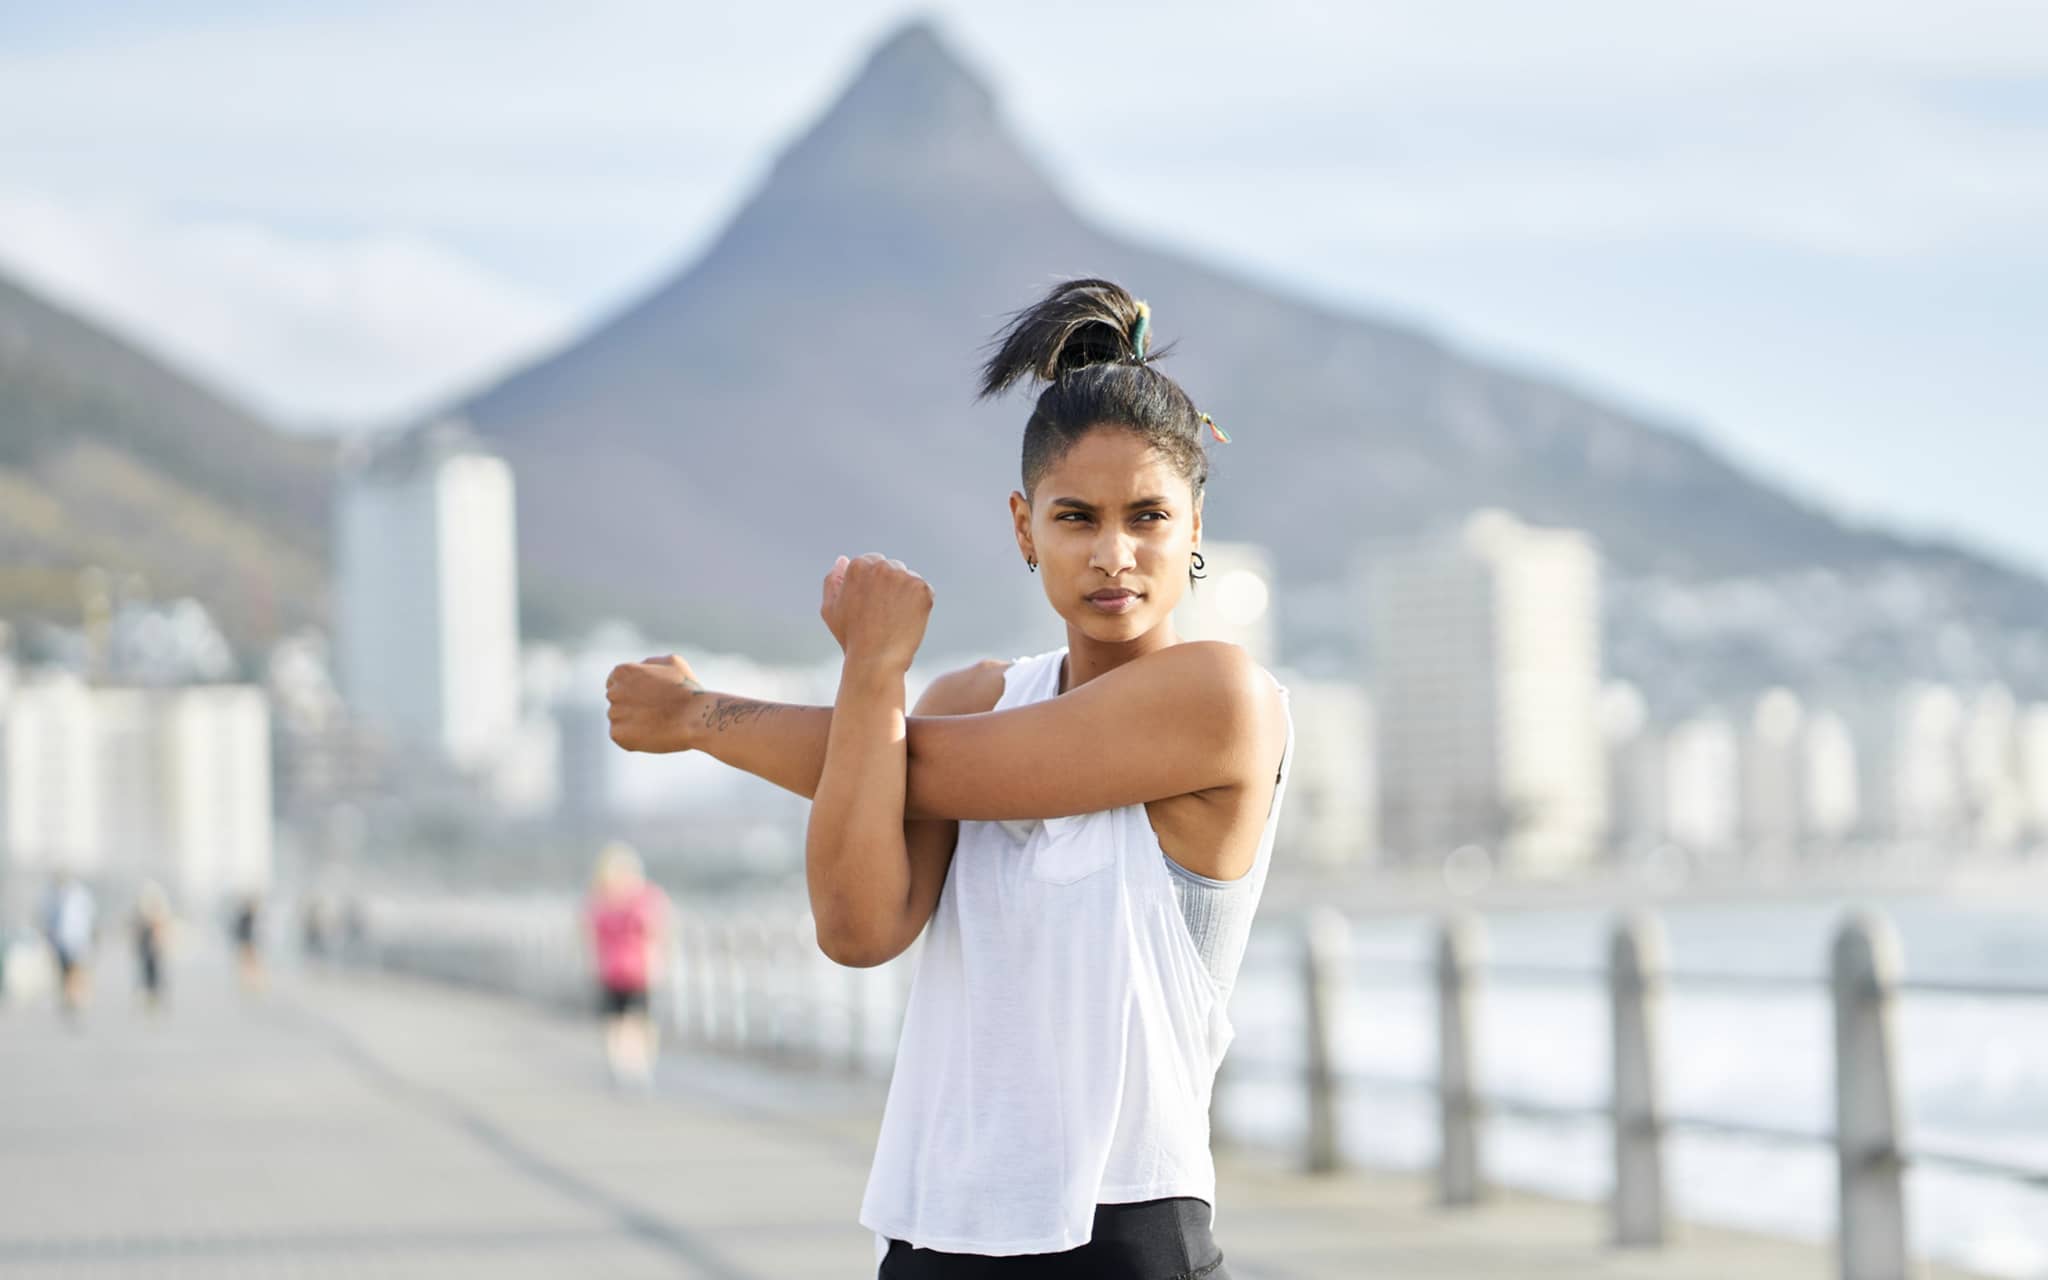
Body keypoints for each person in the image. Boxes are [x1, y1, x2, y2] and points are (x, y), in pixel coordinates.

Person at [606, 279, 1292, 1278]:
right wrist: (871, 671)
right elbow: (855, 925)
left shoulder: (1219, 698)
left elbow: (916, 768)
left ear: (1194, 529)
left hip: (1125, 1235)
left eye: (1147, 515)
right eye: (1074, 516)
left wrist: (700, 719)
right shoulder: (966, 695)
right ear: (1023, 528)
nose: (1113, 552)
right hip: (933, 1230)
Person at [584, 841, 670, 1090]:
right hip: (611, 971)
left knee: (639, 1020)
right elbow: (591, 936)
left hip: (639, 971)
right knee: (617, 1021)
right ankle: (623, 1066)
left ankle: (638, 1065)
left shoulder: (646, 899)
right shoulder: (600, 901)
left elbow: (658, 931)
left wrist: (657, 962)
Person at [40, 872, 98, 1020]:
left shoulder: (79, 896)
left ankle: (76, 998)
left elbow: (89, 919)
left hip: (77, 941)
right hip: (63, 942)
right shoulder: (55, 896)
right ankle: (71, 997)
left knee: (75, 971)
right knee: (65, 972)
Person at [132, 881, 173, 1012]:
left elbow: (161, 930)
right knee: (148, 973)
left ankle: (154, 998)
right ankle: (150, 998)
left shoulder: (157, 913)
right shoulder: (144, 914)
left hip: (153, 948)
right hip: (147, 948)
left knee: (155, 974)